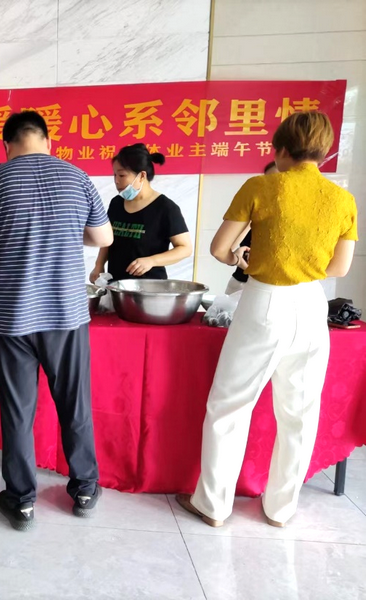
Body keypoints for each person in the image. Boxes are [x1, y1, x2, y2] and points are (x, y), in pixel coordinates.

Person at [177, 111, 357, 528]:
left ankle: (213, 505)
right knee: (300, 412)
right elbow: (340, 267)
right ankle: (280, 509)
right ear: (324, 152)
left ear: (281, 150)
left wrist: (243, 257)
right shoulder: (342, 200)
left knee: (230, 405)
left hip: (264, 301)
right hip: (312, 304)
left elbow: (219, 249)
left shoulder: (260, 186)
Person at [0, 111, 114, 531]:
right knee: (74, 403)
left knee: (17, 412)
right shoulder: (77, 177)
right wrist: (64, 232)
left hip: (12, 317)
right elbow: (103, 238)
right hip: (66, 315)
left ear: (6, 145)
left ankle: (21, 501)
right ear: (47, 141)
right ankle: (84, 489)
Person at [90, 144, 191, 282]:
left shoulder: (166, 208)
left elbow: (185, 248)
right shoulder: (116, 203)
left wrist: (152, 261)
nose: (116, 181)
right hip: (116, 284)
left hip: (150, 287)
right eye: (115, 175)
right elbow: (108, 239)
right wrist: (99, 265)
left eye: (122, 175)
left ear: (142, 175)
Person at [224, 161, 279, 295]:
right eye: (268, 180)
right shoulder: (252, 209)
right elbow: (224, 250)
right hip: (240, 284)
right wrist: (250, 221)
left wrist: (242, 264)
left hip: (272, 289)